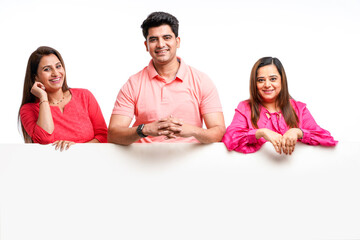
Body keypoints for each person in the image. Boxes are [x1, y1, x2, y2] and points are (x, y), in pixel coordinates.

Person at [108, 12, 225, 145]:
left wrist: (192, 131)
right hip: (143, 161)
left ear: (177, 41)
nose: (160, 44)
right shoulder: (133, 84)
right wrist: (145, 129)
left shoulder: (201, 81)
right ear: (146, 45)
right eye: (153, 39)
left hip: (192, 161)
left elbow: (219, 132)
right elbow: (113, 135)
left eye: (167, 37)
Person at [222, 57, 338, 154]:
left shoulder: (298, 109)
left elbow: (326, 138)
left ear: (282, 81)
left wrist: (298, 132)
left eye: (273, 79)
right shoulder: (245, 107)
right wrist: (261, 132)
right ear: (254, 83)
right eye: (261, 80)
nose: (267, 85)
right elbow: (230, 138)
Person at [18, 46, 107, 151]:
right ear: (35, 77)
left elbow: (104, 137)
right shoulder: (28, 110)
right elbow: (44, 140)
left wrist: (76, 149)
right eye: (47, 69)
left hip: (92, 163)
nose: (56, 73)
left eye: (58, 66)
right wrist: (43, 97)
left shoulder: (84, 96)